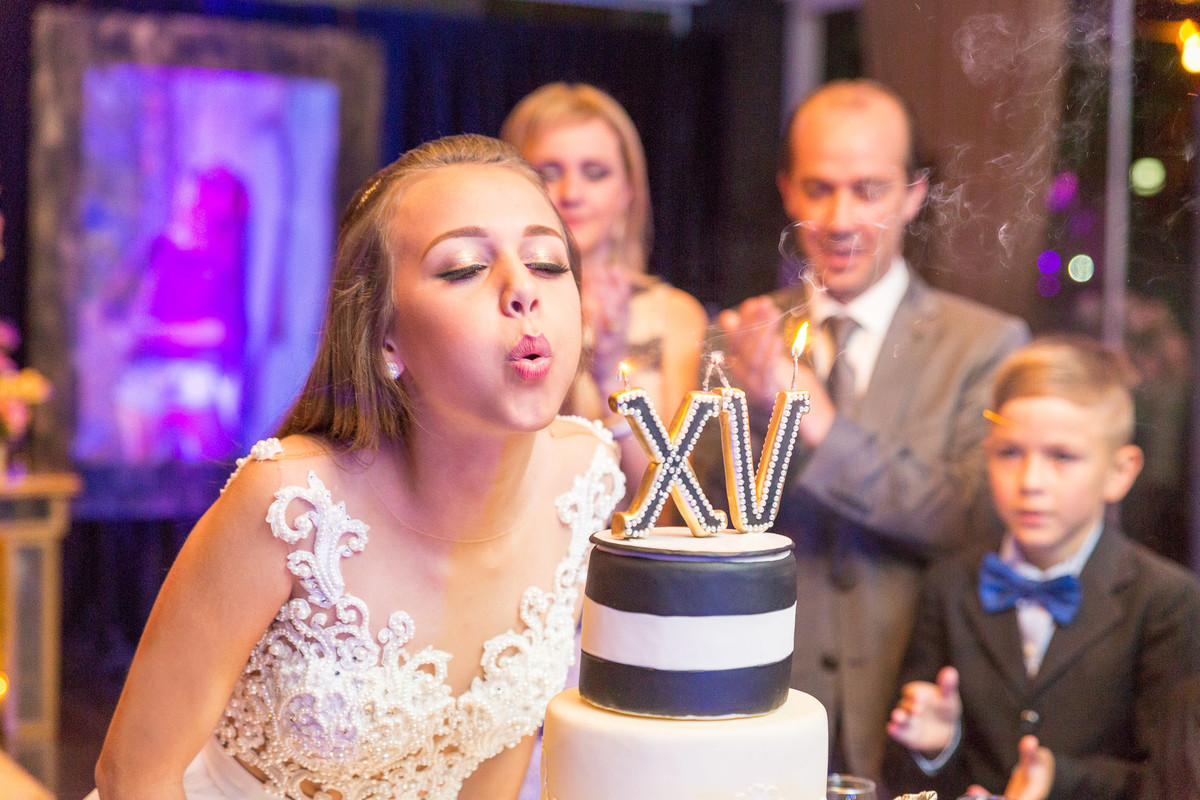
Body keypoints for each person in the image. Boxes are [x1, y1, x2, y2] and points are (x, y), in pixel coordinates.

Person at [91, 134, 624, 800]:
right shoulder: (292, 507)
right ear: (383, 337)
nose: (523, 290)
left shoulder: (584, 479)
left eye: (547, 262)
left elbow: (496, 755)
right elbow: (133, 775)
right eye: (464, 268)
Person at [712, 78, 1030, 790]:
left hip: (918, 717)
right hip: (761, 717)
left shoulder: (985, 344)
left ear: (915, 194)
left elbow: (972, 517)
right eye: (819, 189)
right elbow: (702, 523)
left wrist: (819, 424)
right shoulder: (746, 339)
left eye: (868, 190)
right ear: (787, 191)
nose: (840, 218)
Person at [884, 336, 1200, 800]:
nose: (1030, 481)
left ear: (1120, 472)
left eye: (1062, 456)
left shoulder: (1168, 602)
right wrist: (938, 745)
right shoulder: (949, 585)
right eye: (1010, 453)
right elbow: (907, 772)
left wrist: (1057, 778)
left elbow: (1172, 779)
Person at [500, 82, 708, 505]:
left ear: (628, 192)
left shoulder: (674, 316)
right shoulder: (496, 306)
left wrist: (611, 376)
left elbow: (669, 509)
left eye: (595, 173)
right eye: (548, 173)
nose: (571, 194)